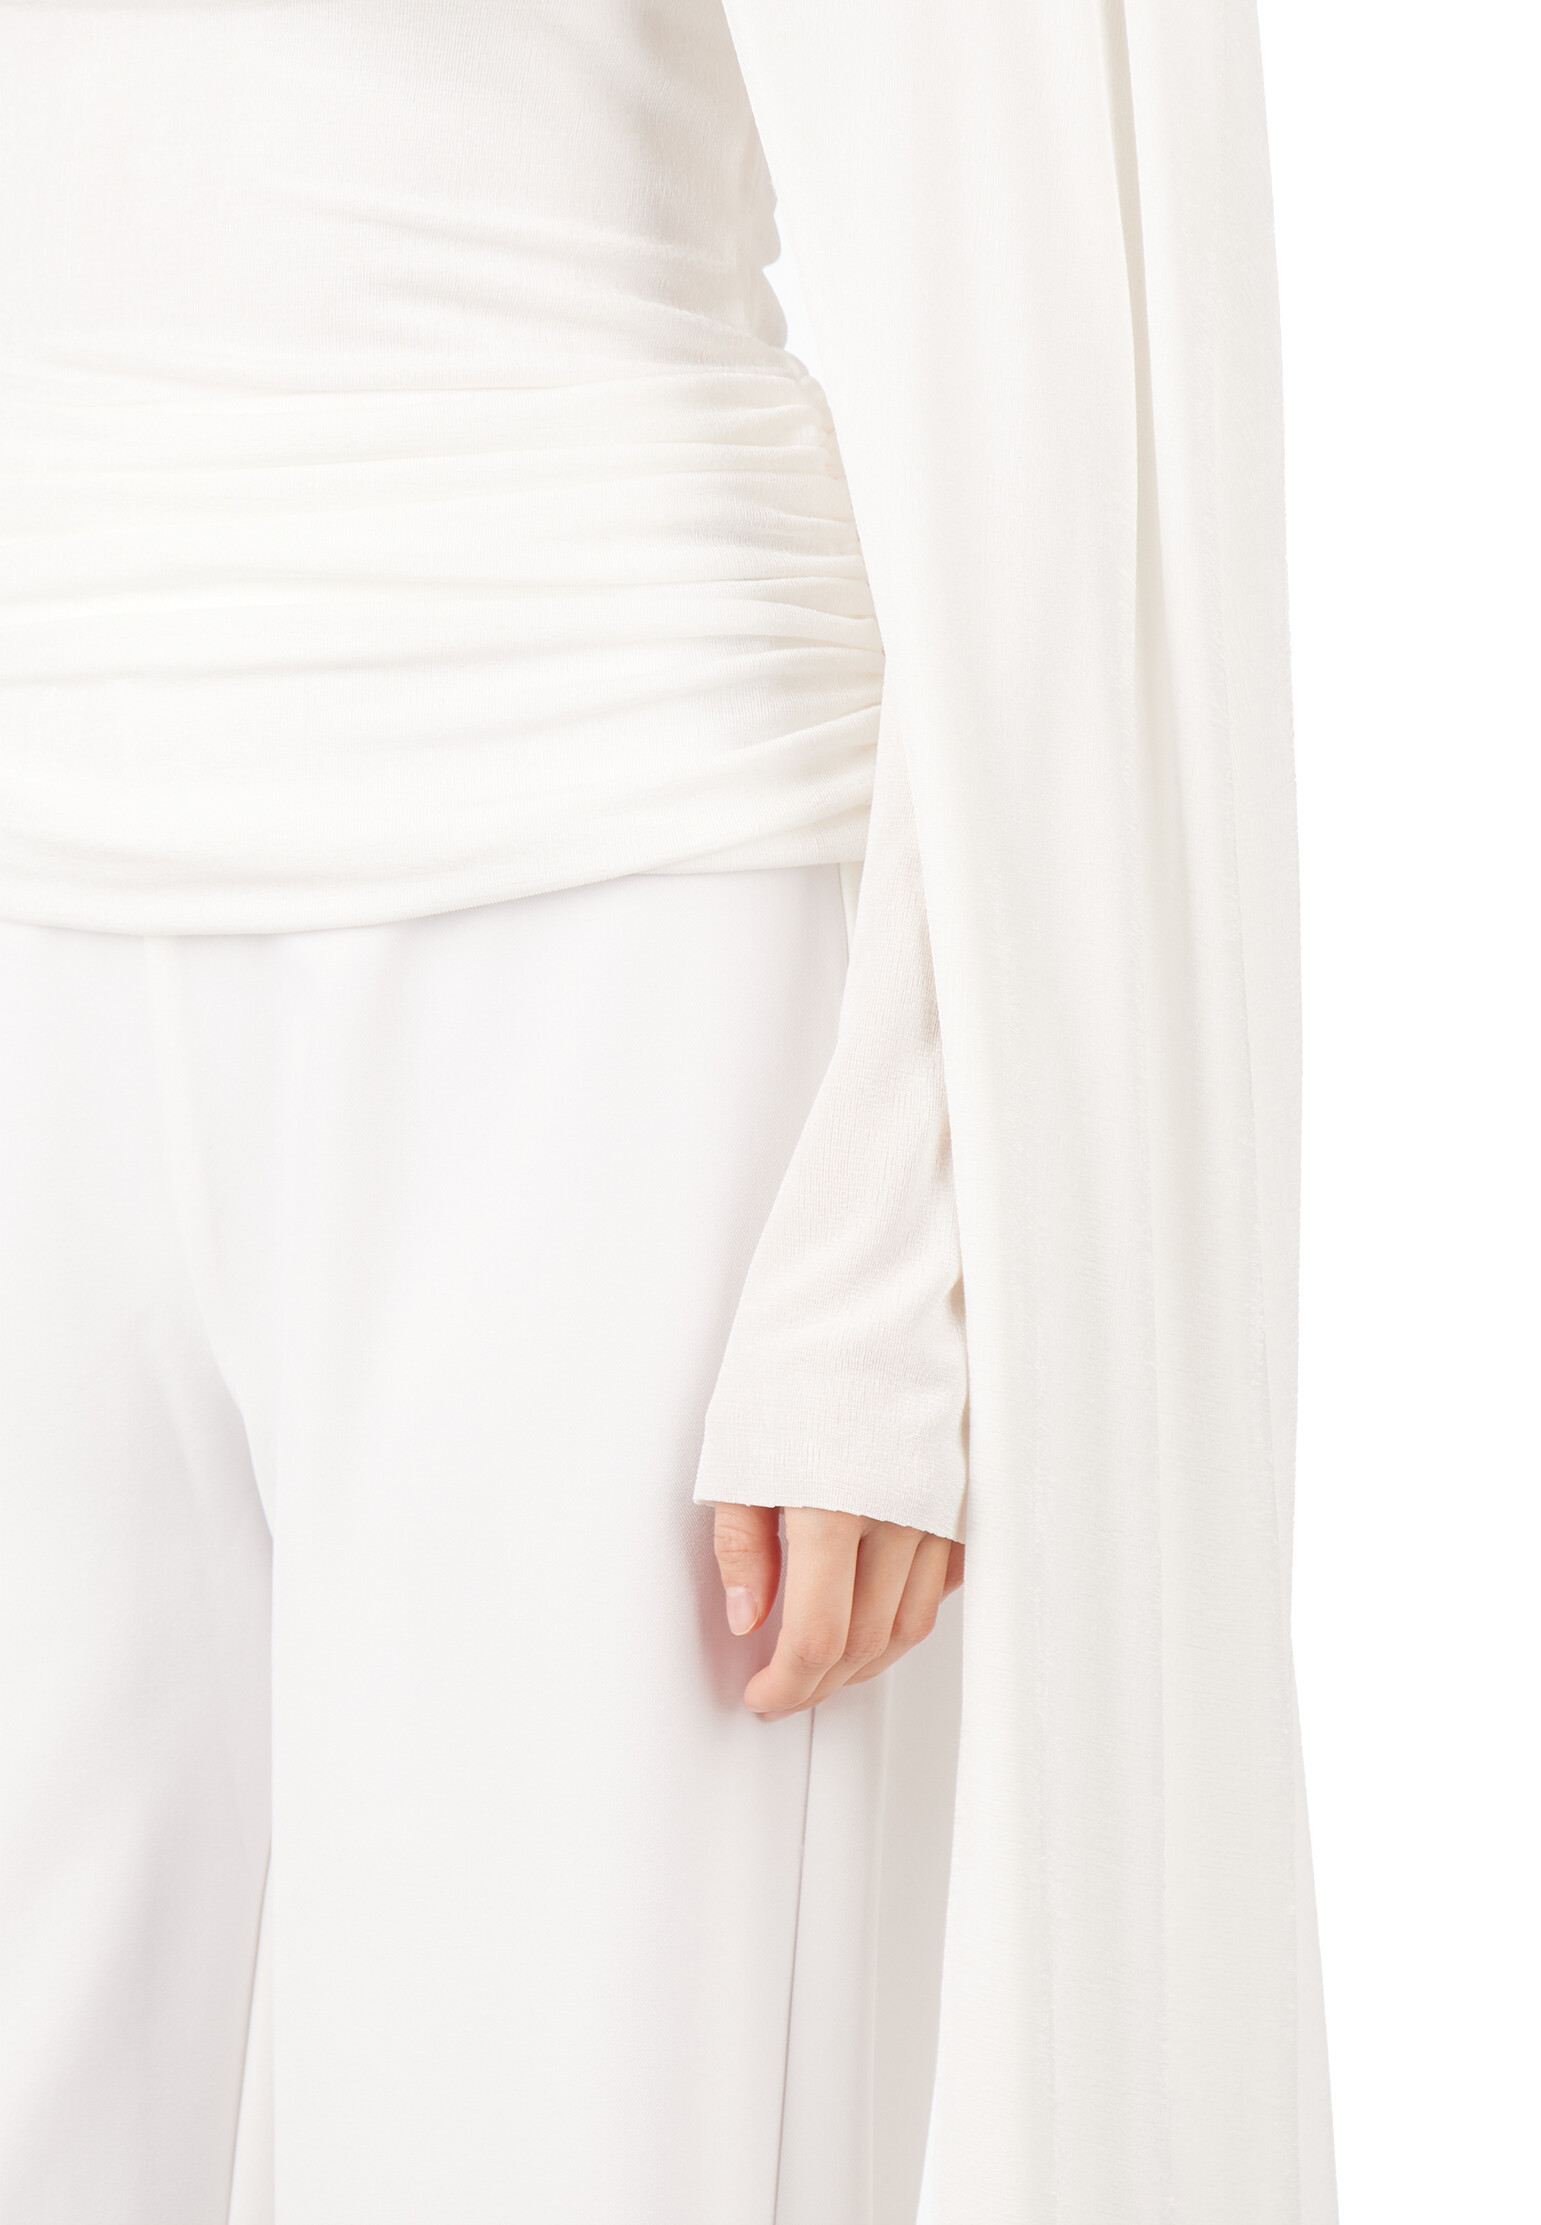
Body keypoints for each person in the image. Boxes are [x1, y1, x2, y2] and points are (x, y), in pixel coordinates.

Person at [0, 3, 1337, 2222]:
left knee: (536, 2147)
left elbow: (1054, 313)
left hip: (599, 931)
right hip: (42, 904)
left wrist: (902, 1232)